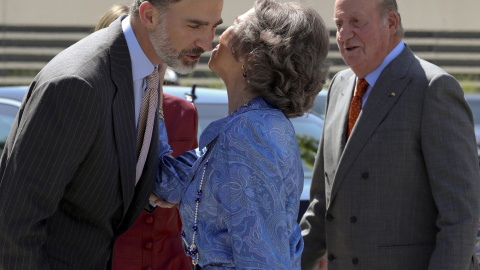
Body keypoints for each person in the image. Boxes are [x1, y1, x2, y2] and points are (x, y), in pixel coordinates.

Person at [0, 0, 223, 269]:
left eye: (214, 27)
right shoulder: (77, 84)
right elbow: (14, 221)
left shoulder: (147, 72)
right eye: (194, 25)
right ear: (149, 15)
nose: (207, 43)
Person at [300, 0, 480, 269]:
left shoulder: (432, 89)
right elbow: (322, 206)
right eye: (339, 24)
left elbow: (460, 216)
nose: (343, 35)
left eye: (356, 22)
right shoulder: (339, 85)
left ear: (392, 23)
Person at [151, 0, 330, 269]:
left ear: (253, 56)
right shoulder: (245, 126)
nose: (217, 34)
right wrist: (153, 79)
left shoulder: (251, 134)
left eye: (233, 25)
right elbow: (167, 183)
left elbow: (262, 261)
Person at [92, 5, 199, 270]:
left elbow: (188, 193)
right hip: (112, 259)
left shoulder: (184, 112)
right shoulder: (94, 106)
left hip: (171, 260)